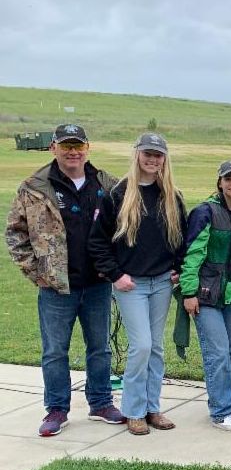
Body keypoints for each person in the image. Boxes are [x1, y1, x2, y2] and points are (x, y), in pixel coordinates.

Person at [6, 124, 126, 437]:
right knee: (55, 352)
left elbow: (125, 228)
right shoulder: (34, 186)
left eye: (78, 146)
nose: (72, 152)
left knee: (99, 347)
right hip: (56, 287)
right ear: (53, 148)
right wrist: (38, 274)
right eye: (66, 146)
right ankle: (57, 409)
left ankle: (101, 402)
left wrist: (114, 268)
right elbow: (15, 234)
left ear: (88, 148)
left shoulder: (108, 184)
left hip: (98, 283)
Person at [89, 133, 186, 436]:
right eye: (147, 153)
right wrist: (116, 275)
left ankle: (152, 408)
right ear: (137, 155)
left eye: (158, 155)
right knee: (141, 345)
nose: (152, 159)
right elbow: (98, 242)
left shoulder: (171, 196)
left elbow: (182, 239)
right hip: (131, 284)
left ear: (164, 159)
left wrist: (178, 268)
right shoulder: (118, 194)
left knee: (155, 347)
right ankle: (133, 410)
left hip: (162, 282)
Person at [181, 160, 231, 431]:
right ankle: (222, 412)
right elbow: (192, 253)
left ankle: (219, 401)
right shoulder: (205, 212)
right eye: (228, 179)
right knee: (218, 352)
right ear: (220, 183)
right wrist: (188, 292)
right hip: (206, 292)